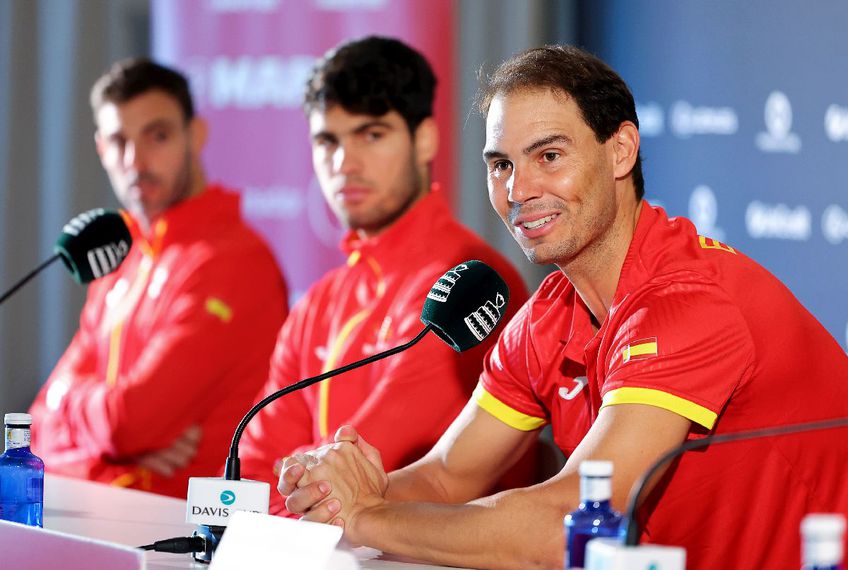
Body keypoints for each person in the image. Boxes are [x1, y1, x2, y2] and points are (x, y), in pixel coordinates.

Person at [278, 45, 848, 569]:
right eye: (500, 164)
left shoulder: (687, 301)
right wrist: (334, 495)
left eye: (548, 156)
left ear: (621, 150)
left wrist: (367, 515)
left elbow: (564, 528)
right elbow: (449, 476)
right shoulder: (548, 315)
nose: (518, 190)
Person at [237, 36, 531, 514]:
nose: (344, 164)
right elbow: (250, 468)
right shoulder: (320, 301)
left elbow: (363, 477)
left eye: (371, 135)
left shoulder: (468, 283)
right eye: (327, 141)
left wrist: (273, 524)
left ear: (426, 140)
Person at [28, 59, 288, 498]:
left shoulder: (234, 262)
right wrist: (106, 445)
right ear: (101, 149)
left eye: (158, 136)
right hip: (104, 519)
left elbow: (130, 424)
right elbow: (38, 423)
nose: (136, 161)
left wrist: (92, 422)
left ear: (196, 135)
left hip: (191, 541)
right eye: (118, 141)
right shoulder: (120, 258)